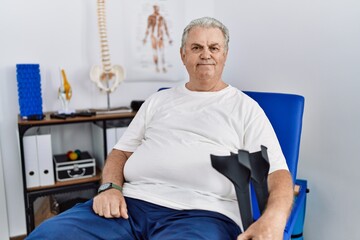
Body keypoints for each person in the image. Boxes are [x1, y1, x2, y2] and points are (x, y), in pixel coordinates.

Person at [27, 17, 293, 240]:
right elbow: (120, 154)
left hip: (203, 214)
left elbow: (278, 173)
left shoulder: (246, 108)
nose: (206, 54)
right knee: (47, 235)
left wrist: (274, 218)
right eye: (197, 47)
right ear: (183, 54)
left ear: (225, 54)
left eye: (214, 47)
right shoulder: (158, 101)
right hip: (128, 206)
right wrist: (109, 188)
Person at [143, 4, 173, 73]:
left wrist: (169, 38)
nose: (157, 9)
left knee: (162, 52)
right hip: (153, 36)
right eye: (156, 8)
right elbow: (148, 27)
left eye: (158, 8)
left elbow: (165, 28)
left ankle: (163, 66)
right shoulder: (150, 17)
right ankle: (156, 67)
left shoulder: (161, 17)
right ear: (154, 9)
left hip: (160, 36)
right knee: (155, 52)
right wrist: (145, 38)